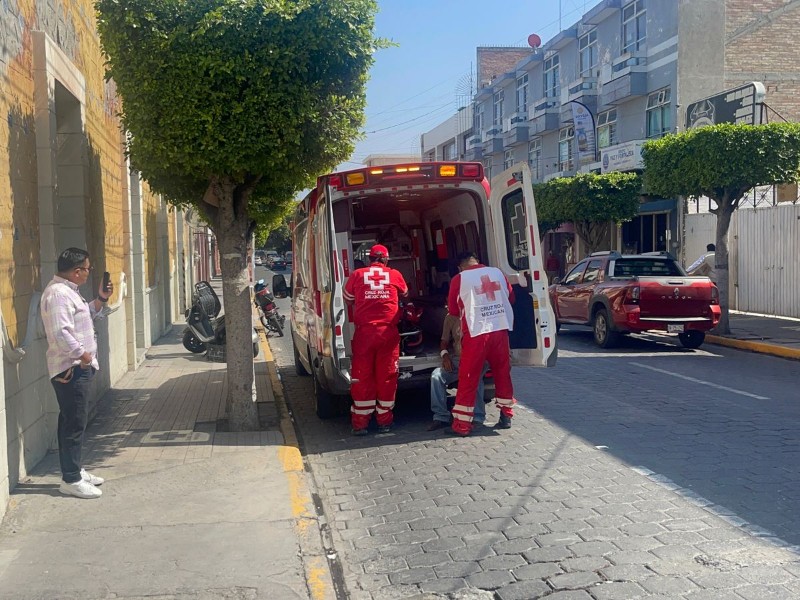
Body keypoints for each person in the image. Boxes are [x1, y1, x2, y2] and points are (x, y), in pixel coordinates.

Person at [40, 248, 113, 499]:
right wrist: (84, 357)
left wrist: (101, 299)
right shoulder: (58, 294)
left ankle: (74, 470)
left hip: (77, 367)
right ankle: (70, 480)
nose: (88, 273)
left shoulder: (69, 292)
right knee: (74, 424)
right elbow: (62, 333)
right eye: (87, 269)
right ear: (77, 271)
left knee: (71, 421)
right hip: (70, 369)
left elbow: (83, 318)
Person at [447, 252, 516, 437]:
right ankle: (506, 415)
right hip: (500, 330)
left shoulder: (459, 278)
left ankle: (462, 425)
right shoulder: (497, 273)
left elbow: (453, 310)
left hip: (476, 333)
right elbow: (511, 298)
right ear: (479, 262)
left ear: (460, 267)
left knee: (468, 378)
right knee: (502, 374)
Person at [343, 244, 408, 435]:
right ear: (386, 259)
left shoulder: (357, 275)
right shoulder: (395, 274)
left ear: (369, 259)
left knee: (362, 376)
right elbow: (405, 294)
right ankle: (384, 422)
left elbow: (348, 298)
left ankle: (360, 424)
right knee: (387, 376)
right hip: (388, 333)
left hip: (364, 333)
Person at [428, 313, 487, 430]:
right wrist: (445, 355)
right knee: (436, 376)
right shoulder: (450, 317)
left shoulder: (477, 312)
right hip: (457, 360)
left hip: (475, 358)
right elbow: (444, 340)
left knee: (476, 379)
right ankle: (441, 417)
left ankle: (478, 416)